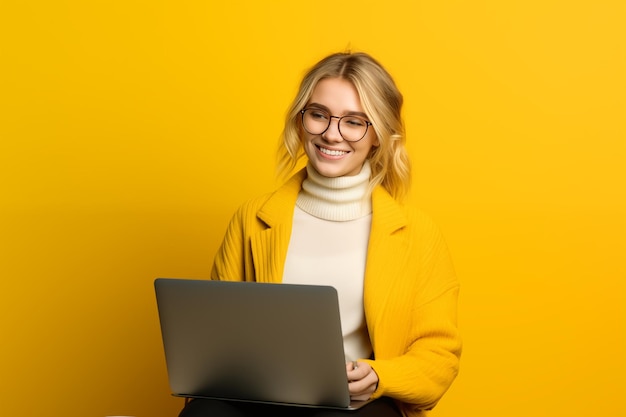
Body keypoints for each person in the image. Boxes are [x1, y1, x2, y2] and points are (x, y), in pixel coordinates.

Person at [179, 51, 462, 417]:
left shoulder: (419, 233)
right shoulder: (252, 218)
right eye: (318, 115)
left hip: (355, 405)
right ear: (301, 121)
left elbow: (439, 355)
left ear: (378, 135)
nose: (331, 133)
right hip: (260, 397)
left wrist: (379, 376)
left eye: (355, 122)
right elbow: (217, 336)